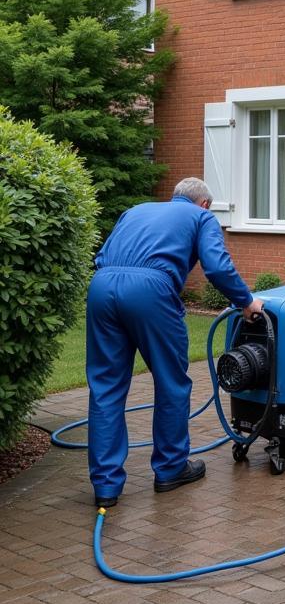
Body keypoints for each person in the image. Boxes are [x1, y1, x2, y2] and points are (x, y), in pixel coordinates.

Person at [86, 177, 263, 508]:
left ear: (174, 197)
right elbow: (216, 267)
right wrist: (246, 301)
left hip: (102, 286)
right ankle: (170, 468)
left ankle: (105, 486)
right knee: (171, 383)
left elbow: (104, 253)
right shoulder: (201, 217)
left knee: (106, 387)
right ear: (205, 203)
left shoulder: (136, 210)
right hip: (150, 291)